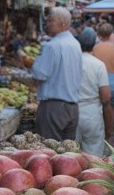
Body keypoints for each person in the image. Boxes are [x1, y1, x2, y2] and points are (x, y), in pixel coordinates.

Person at [31, 7, 82, 141]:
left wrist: (33, 64)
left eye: (50, 21)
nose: (47, 24)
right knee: (67, 154)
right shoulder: (75, 44)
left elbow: (40, 74)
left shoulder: (52, 46)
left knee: (50, 152)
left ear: (63, 23)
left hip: (53, 108)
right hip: (72, 108)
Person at [76, 29, 113, 157]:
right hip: (91, 113)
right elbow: (106, 97)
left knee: (71, 155)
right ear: (94, 44)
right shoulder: (98, 65)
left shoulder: (70, 62)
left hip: (71, 111)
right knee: (93, 155)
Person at [91, 23, 114, 142]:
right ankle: (110, 134)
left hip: (98, 85)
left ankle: (101, 135)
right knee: (113, 112)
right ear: (111, 34)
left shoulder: (94, 49)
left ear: (99, 35)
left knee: (100, 112)